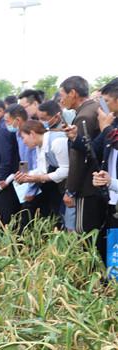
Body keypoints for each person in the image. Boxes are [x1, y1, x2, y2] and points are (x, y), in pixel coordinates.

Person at [60, 76, 105, 234]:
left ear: (72, 93)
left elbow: (78, 157)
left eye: (62, 95)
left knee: (85, 234)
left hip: (87, 186)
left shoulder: (83, 116)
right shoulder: (96, 108)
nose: (61, 100)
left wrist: (70, 190)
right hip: (100, 184)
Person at [15, 119, 68, 228]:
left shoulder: (56, 142)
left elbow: (66, 170)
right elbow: (42, 169)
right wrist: (26, 176)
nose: (23, 142)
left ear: (32, 134)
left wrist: (39, 178)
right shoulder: (40, 145)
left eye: (24, 137)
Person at [91, 78, 118, 265]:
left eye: (106, 101)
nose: (104, 107)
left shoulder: (110, 125)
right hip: (113, 196)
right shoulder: (112, 123)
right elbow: (94, 147)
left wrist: (106, 128)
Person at [0, 102, 22, 226]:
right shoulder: (6, 127)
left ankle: (2, 233)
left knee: (3, 208)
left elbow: (4, 155)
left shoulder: (3, 128)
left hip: (3, 176)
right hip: (12, 174)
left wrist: (1, 176)